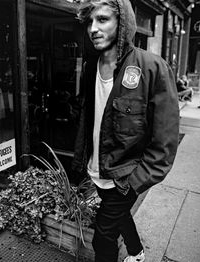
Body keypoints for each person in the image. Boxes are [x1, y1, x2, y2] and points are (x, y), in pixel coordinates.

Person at [72, 1, 179, 262]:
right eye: (90, 22)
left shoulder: (152, 68)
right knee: (119, 214)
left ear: (122, 24)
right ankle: (137, 253)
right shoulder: (90, 68)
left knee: (103, 236)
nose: (93, 29)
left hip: (126, 175)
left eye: (102, 20)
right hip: (98, 169)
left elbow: (165, 140)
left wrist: (135, 182)